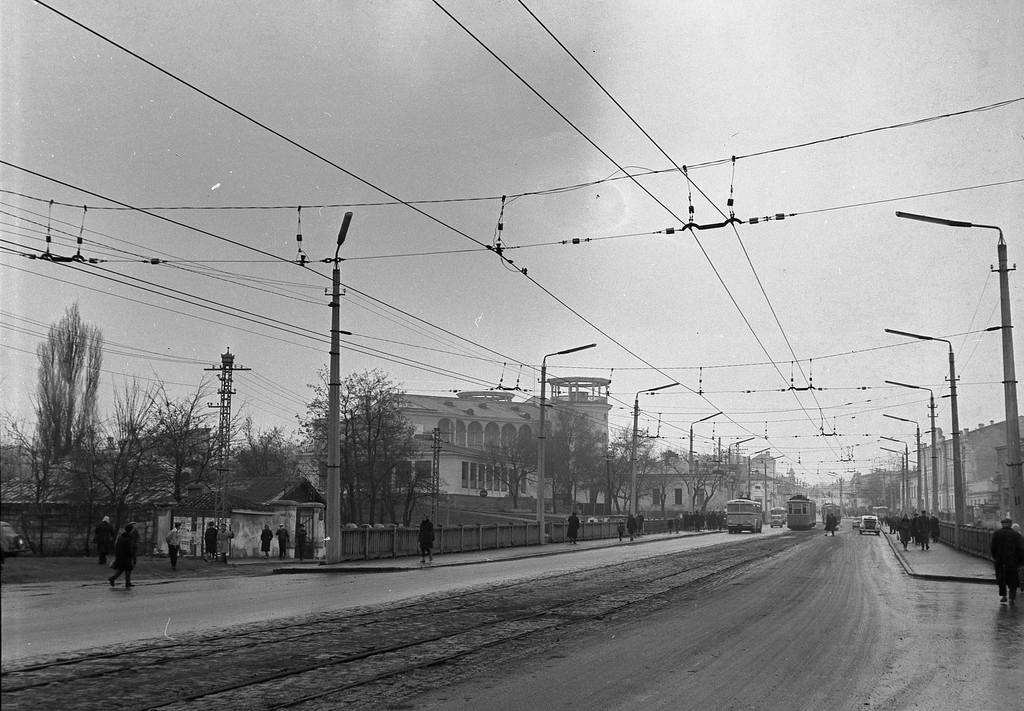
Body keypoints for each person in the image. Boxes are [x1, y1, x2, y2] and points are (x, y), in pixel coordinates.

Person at [990, 517, 1024, 605]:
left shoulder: (996, 534)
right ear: (1010, 524)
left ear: (1002, 524)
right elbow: (1021, 549)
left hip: (1000, 561)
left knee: (1001, 579)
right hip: (1012, 562)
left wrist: (995, 557)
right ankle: (1012, 598)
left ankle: (1004, 596)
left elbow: (992, 547)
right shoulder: (1016, 535)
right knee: (1012, 579)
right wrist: (1021, 562)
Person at [108, 523, 136, 589]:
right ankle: (127, 582)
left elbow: (117, 546)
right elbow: (129, 548)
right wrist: (132, 555)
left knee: (121, 569)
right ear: (131, 530)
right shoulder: (129, 538)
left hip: (120, 556)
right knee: (128, 569)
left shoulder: (121, 537)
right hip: (126, 556)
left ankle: (113, 578)